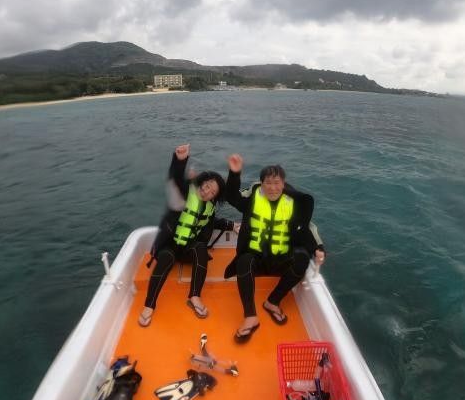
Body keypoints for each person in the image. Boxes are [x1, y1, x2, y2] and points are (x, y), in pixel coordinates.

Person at [223, 154, 325, 343]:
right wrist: (234, 173)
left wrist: (318, 247)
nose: (272, 188)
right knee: (243, 261)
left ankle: (273, 302)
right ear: (261, 183)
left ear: (283, 183)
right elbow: (232, 197)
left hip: (280, 259)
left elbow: (307, 226)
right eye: (268, 183)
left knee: (302, 258)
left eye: (277, 182)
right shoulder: (253, 196)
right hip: (257, 259)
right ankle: (250, 317)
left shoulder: (293, 201)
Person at [139, 144, 236, 327]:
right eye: (207, 186)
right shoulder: (185, 192)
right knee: (166, 258)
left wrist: (231, 224)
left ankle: (194, 296)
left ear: (215, 197)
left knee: (200, 249)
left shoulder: (209, 208)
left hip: (187, 249)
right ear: (202, 182)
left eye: (212, 192)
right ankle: (149, 305)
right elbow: (176, 177)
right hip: (169, 245)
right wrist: (180, 160)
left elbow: (209, 222)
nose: (207, 192)